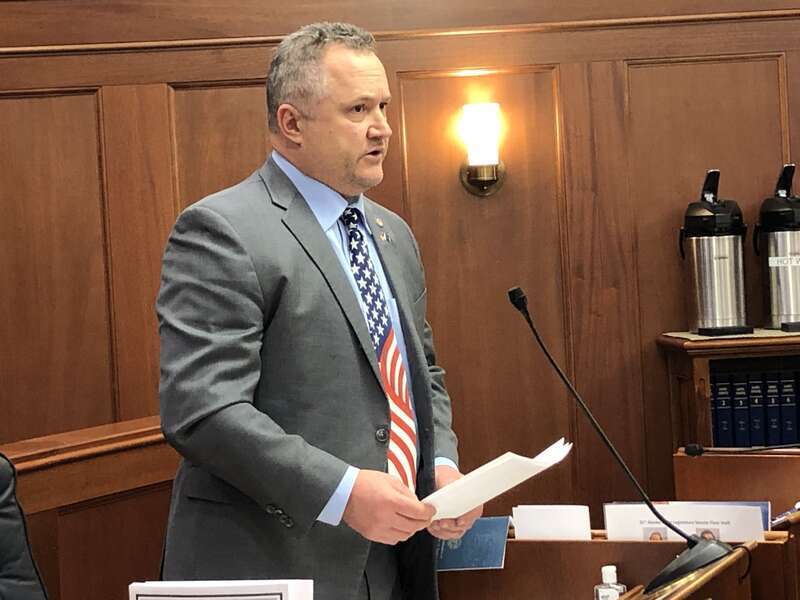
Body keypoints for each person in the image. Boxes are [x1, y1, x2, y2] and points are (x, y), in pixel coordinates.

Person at [157, 21, 481, 600]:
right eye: (358, 109)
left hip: (394, 560)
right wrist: (342, 491)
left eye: (383, 106)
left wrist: (442, 468)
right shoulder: (222, 230)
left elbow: (419, 376)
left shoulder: (392, 233)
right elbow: (203, 410)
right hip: (273, 559)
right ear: (292, 124)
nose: (383, 128)